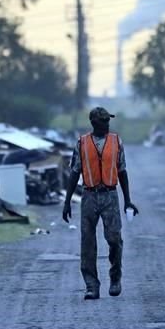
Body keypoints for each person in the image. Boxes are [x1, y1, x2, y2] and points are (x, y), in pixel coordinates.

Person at [62, 107, 139, 300]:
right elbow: (74, 172)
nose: (107, 124)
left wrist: (128, 200)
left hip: (110, 195)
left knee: (114, 239)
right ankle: (91, 285)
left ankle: (115, 278)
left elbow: (122, 171)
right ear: (94, 123)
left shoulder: (116, 141)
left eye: (108, 120)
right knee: (87, 242)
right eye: (104, 121)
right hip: (89, 195)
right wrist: (67, 201)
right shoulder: (82, 143)